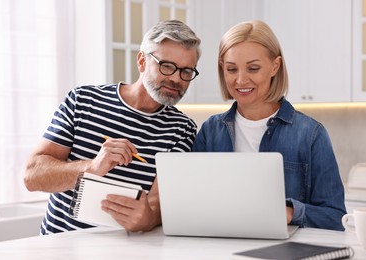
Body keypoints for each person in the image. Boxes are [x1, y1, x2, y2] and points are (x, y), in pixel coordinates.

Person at [24, 20, 201, 235]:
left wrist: (148, 218)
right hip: (58, 248)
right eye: (166, 66)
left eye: (186, 71)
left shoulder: (182, 129)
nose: (176, 78)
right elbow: (32, 176)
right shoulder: (82, 100)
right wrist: (91, 168)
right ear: (142, 61)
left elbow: (156, 204)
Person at [192, 20, 346, 231]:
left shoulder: (311, 134)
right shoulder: (210, 131)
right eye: (231, 69)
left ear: (275, 66)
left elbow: (336, 217)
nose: (240, 80)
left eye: (253, 68)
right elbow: (192, 203)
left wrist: (290, 212)